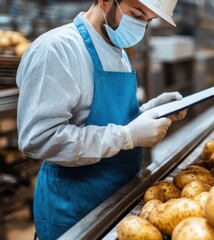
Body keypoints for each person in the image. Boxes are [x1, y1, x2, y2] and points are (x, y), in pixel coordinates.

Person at [15, 0, 186, 239]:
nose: (141, 27)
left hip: (118, 199)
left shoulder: (117, 49)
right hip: (74, 210)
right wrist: (128, 136)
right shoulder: (57, 50)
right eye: (137, 14)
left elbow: (109, 119)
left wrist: (147, 111)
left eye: (148, 21)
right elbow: (40, 139)